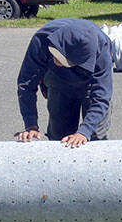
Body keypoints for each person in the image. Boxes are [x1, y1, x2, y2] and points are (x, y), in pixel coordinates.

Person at [15, 18, 113, 147]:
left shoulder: (102, 49)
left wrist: (84, 132)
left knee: (95, 137)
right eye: (58, 57)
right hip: (58, 81)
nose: (60, 63)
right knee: (59, 136)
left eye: (65, 61)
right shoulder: (41, 40)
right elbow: (26, 84)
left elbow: (101, 97)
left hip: (89, 82)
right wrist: (31, 125)